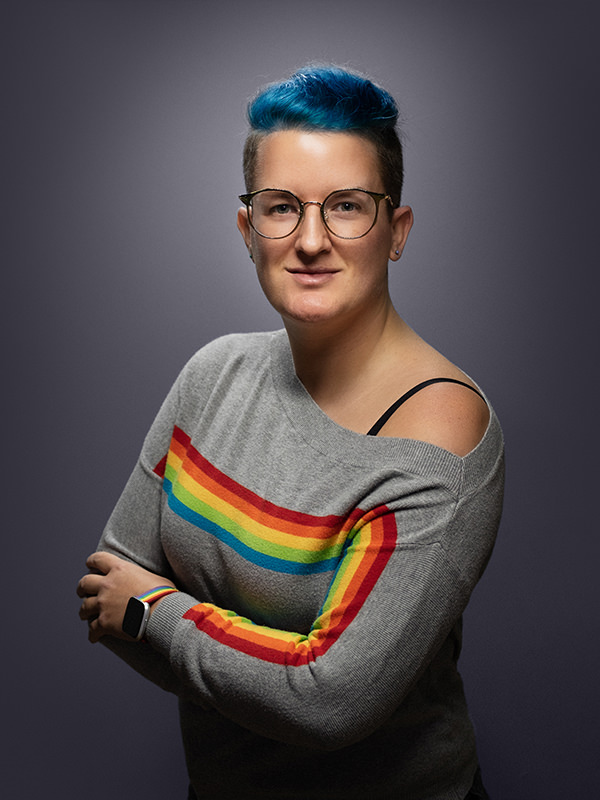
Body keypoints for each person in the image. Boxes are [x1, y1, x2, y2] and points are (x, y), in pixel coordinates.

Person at [77, 65, 504, 799]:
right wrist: (267, 668)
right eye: (281, 208)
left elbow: (328, 702)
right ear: (248, 231)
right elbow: (104, 589)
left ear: (396, 232)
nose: (310, 240)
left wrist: (158, 613)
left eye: (347, 207)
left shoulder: (439, 434)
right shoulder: (214, 374)